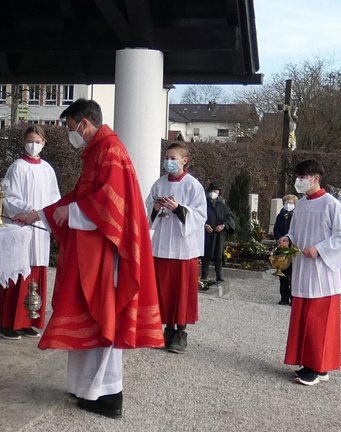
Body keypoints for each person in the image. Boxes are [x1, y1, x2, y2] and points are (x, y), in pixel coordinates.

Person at [12, 99, 163, 419]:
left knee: (104, 318)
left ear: (83, 123)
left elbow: (110, 204)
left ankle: (108, 395)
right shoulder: (98, 151)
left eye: (70, 128)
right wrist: (37, 214)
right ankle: (86, 388)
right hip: (92, 252)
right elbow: (78, 197)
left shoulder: (111, 151)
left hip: (107, 254)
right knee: (91, 317)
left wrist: (72, 212)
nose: (70, 135)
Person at [277, 159, 341, 386]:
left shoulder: (331, 204)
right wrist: (288, 239)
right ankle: (308, 362)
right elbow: (295, 230)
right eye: (298, 177)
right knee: (304, 319)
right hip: (303, 269)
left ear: (316, 178)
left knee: (319, 322)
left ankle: (317, 367)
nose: (299, 181)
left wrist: (320, 250)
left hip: (323, 273)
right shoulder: (300, 204)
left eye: (303, 177)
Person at [0, 125, 62, 340]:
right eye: (30, 141)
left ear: (44, 144)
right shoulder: (17, 167)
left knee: (37, 270)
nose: (33, 145)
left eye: (37, 141)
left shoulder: (47, 169)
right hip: (22, 224)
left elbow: (55, 197)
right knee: (18, 270)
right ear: (23, 142)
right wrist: (28, 210)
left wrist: (48, 214)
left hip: (41, 226)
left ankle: (28, 320)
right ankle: (8, 322)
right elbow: (8, 196)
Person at [146, 143, 208, 354]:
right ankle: (167, 328)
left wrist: (179, 209)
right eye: (167, 157)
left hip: (184, 248)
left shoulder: (193, 186)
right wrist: (155, 208)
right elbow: (146, 211)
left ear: (184, 160)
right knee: (163, 290)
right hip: (162, 245)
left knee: (181, 292)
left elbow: (200, 216)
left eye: (173, 158)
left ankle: (181, 331)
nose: (168, 162)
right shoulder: (159, 183)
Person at [202, 183, 235, 284]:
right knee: (205, 256)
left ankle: (219, 276)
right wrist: (204, 225)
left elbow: (230, 217)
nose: (213, 193)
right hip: (206, 234)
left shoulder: (223, 206)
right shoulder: (203, 204)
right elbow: (198, 216)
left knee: (218, 256)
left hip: (218, 234)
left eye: (215, 192)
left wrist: (223, 226)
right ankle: (204, 276)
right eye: (211, 191)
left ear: (218, 193)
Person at [273, 194, 298, 305]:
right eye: (286, 202)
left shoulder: (297, 216)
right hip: (281, 248)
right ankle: (284, 297)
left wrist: (289, 241)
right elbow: (276, 229)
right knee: (282, 273)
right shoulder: (280, 215)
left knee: (293, 275)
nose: (288, 205)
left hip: (292, 248)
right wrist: (279, 240)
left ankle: (293, 298)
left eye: (291, 203)